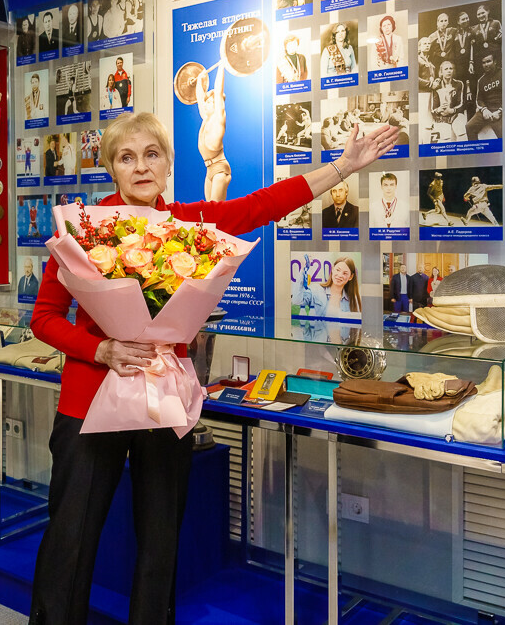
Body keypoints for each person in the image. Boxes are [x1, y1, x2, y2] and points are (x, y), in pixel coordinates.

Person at [28, 111, 397, 625]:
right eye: (126, 158)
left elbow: (265, 204)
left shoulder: (190, 224)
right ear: (111, 168)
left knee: (160, 542)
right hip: (89, 402)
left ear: (168, 164)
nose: (140, 167)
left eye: (151, 155)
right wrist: (101, 349)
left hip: (165, 398)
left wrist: (343, 166)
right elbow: (44, 318)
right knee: (71, 536)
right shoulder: (82, 228)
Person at [195, 68, 230, 201]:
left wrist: (222, 65)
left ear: (217, 105)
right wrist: (199, 80)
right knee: (209, 211)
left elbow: (219, 90)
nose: (206, 104)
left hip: (220, 170)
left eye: (210, 102)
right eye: (207, 102)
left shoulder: (218, 119)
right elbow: (200, 98)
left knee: (216, 211)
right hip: (209, 169)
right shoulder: (206, 119)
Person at [294, 255, 362, 318]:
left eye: (345, 273)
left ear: (351, 277)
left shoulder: (353, 300)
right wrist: (303, 270)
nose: (339, 275)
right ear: (332, 269)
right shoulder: (316, 290)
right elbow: (296, 300)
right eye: (338, 270)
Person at [468, 52, 502, 140]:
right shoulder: (481, 80)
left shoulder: (503, 73)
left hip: (500, 109)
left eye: (488, 61)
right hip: (488, 110)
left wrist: (500, 111)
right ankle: (475, 148)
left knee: (503, 132)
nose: (486, 65)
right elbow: (479, 99)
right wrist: (484, 110)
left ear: (495, 62)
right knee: (469, 127)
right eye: (484, 63)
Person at [431, 61, 466, 142]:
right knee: (446, 139)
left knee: (461, 133)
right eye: (446, 69)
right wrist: (439, 109)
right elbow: (433, 108)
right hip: (442, 117)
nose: (449, 71)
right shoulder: (437, 86)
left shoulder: (459, 84)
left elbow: (462, 104)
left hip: (455, 114)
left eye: (451, 68)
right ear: (441, 72)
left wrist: (452, 110)